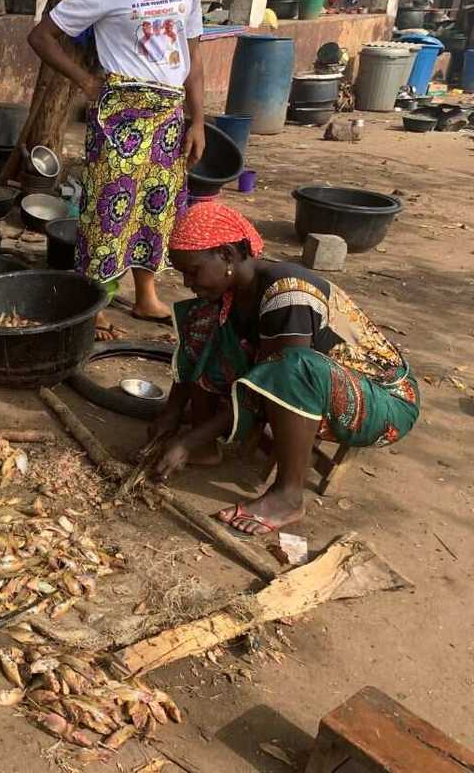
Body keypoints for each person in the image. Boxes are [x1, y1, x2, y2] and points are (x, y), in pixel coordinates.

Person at [150, 201, 420, 536]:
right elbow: (200, 347)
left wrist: (187, 440)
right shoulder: (233, 292)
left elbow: (271, 384)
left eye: (193, 270)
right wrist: (172, 412)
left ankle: (289, 495)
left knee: (291, 368)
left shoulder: (287, 295)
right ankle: (207, 447)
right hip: (316, 382)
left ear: (228, 255)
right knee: (204, 319)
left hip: (385, 402)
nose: (188, 282)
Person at [27, 0, 205, 338]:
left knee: (156, 208)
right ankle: (96, 299)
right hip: (119, 118)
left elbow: (193, 57)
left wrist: (198, 120)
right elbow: (41, 37)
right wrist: (86, 82)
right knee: (108, 210)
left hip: (169, 116)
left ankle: (145, 296)